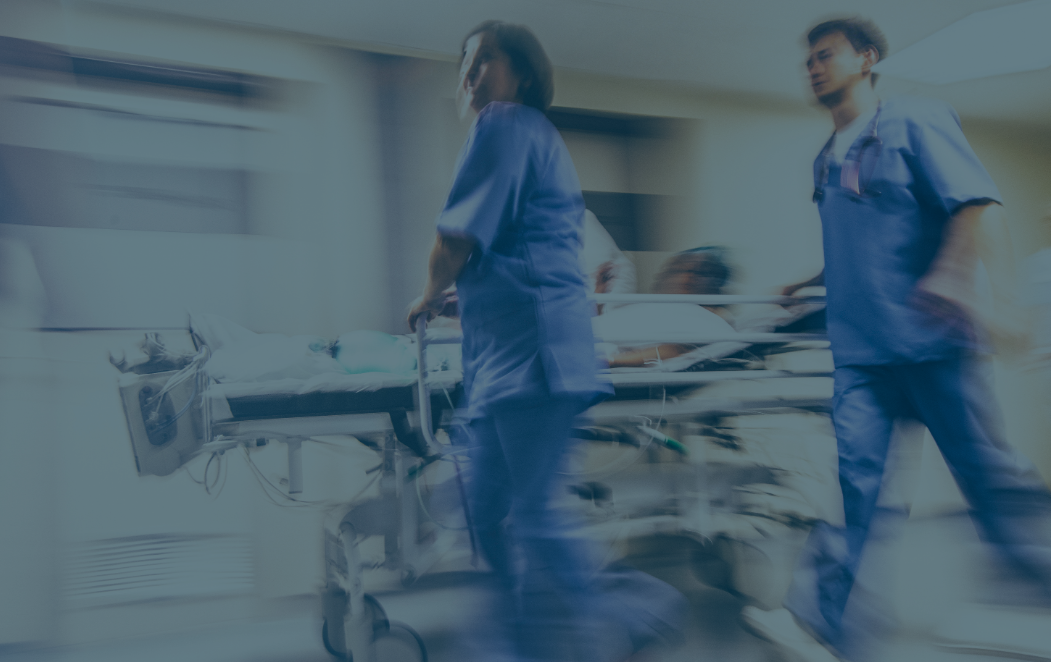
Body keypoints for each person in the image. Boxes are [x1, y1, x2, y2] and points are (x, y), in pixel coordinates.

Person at [741, 17, 1051, 662]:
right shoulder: (826, 158)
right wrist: (811, 281)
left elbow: (974, 204)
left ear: (867, 59)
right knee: (855, 491)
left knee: (991, 481)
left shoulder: (914, 121)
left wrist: (969, 282)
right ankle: (820, 624)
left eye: (826, 56)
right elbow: (861, 242)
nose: (813, 68)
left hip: (933, 346)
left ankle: (1039, 592)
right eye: (808, 61)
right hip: (863, 359)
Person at [407, 20, 685, 662]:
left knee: (534, 514)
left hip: (533, 359)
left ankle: (631, 616)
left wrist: (425, 295)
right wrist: (460, 295)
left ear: (522, 75)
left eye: (485, 63)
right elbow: (516, 249)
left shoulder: (505, 125)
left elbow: (455, 238)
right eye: (465, 67)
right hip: (510, 360)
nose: (472, 77)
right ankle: (520, 635)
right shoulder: (528, 138)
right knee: (481, 508)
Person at [593, 248, 736, 368]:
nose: (687, 277)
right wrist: (599, 296)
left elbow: (674, 351)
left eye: (699, 272)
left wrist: (610, 361)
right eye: (676, 269)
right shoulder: (656, 308)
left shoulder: (708, 319)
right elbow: (599, 326)